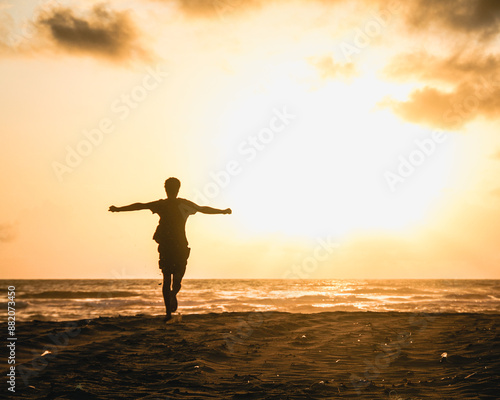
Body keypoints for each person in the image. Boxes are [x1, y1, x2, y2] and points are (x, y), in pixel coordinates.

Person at [109, 177, 231, 321]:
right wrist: (222, 211)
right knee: (177, 280)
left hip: (167, 246)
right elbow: (203, 209)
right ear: (178, 189)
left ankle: (168, 312)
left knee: (167, 279)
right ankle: (172, 297)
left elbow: (140, 205)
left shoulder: (162, 205)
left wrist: (118, 209)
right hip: (179, 246)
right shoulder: (184, 204)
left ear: (166, 189)